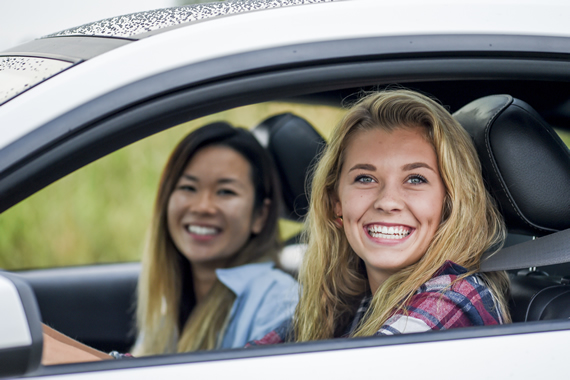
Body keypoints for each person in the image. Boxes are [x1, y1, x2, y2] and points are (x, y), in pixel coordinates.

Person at [249, 89, 511, 346]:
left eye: (415, 179)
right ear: (336, 202)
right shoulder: (349, 299)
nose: (387, 202)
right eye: (365, 178)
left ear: (450, 203)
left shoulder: (453, 302)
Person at [42, 122, 298, 364]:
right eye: (188, 187)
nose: (202, 207)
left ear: (260, 215)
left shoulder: (277, 300)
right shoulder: (170, 305)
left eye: (225, 192)